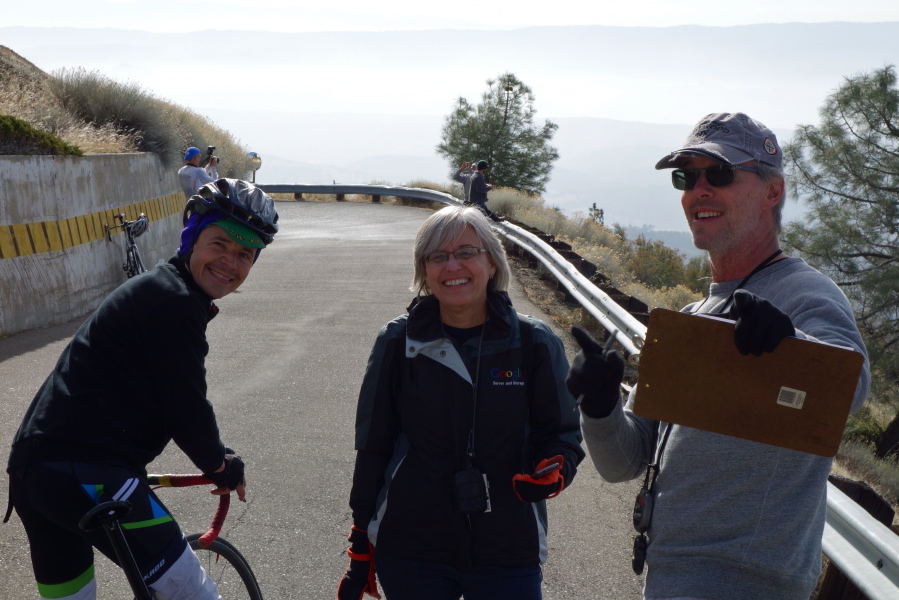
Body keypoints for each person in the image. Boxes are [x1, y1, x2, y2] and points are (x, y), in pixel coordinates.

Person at [566, 112, 870, 600]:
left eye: (720, 174)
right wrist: (598, 407)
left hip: (748, 583)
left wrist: (791, 345)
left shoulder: (805, 293)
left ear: (773, 192)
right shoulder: (694, 314)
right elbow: (624, 461)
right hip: (671, 575)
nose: (698, 190)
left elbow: (849, 388)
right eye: (687, 177)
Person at [6, 178, 279, 600]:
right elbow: (185, 406)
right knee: (195, 595)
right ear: (191, 237)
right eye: (219, 243)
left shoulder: (160, 290)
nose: (230, 261)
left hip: (35, 472)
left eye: (244, 254)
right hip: (90, 472)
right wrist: (221, 465)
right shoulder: (174, 301)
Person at [337, 205, 584, 600]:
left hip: (508, 550)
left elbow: (561, 436)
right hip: (412, 549)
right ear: (425, 271)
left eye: (466, 252)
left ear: (491, 261)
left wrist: (555, 469)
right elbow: (373, 447)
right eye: (438, 256)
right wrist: (360, 547)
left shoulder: (534, 343)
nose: (453, 266)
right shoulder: (397, 343)